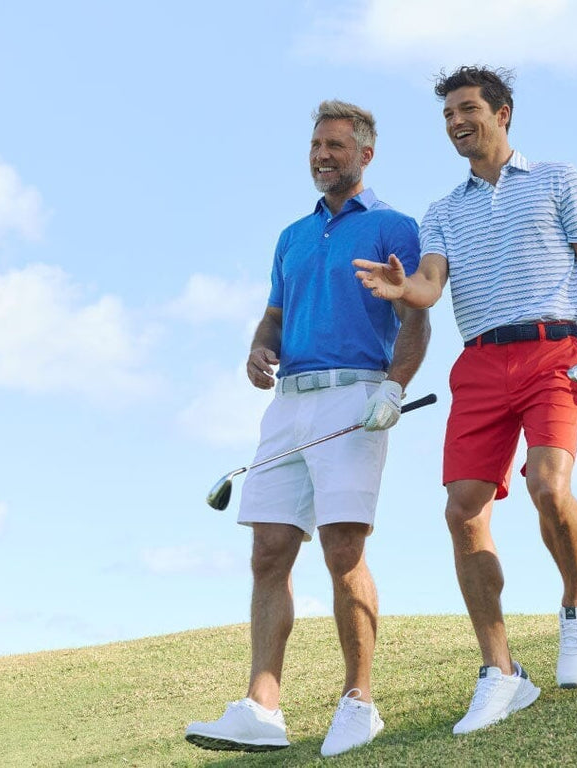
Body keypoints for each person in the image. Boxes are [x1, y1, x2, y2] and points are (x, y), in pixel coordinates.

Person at [354, 66, 577, 735]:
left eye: (467, 109)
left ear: (503, 113)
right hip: (478, 362)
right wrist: (401, 287)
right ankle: (501, 670)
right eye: (447, 115)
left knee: (547, 485)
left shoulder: (559, 179)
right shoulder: (441, 210)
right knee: (462, 510)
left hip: (552, 351)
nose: (455, 123)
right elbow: (429, 287)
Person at [186, 100, 429, 757]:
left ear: (365, 155)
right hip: (288, 403)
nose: (324, 156)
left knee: (343, 547)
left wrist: (393, 388)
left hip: (354, 397)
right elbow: (273, 316)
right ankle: (262, 707)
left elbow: (416, 318)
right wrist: (258, 348)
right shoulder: (292, 236)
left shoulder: (393, 227)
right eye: (317, 145)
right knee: (268, 549)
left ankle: (359, 702)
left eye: (337, 146)